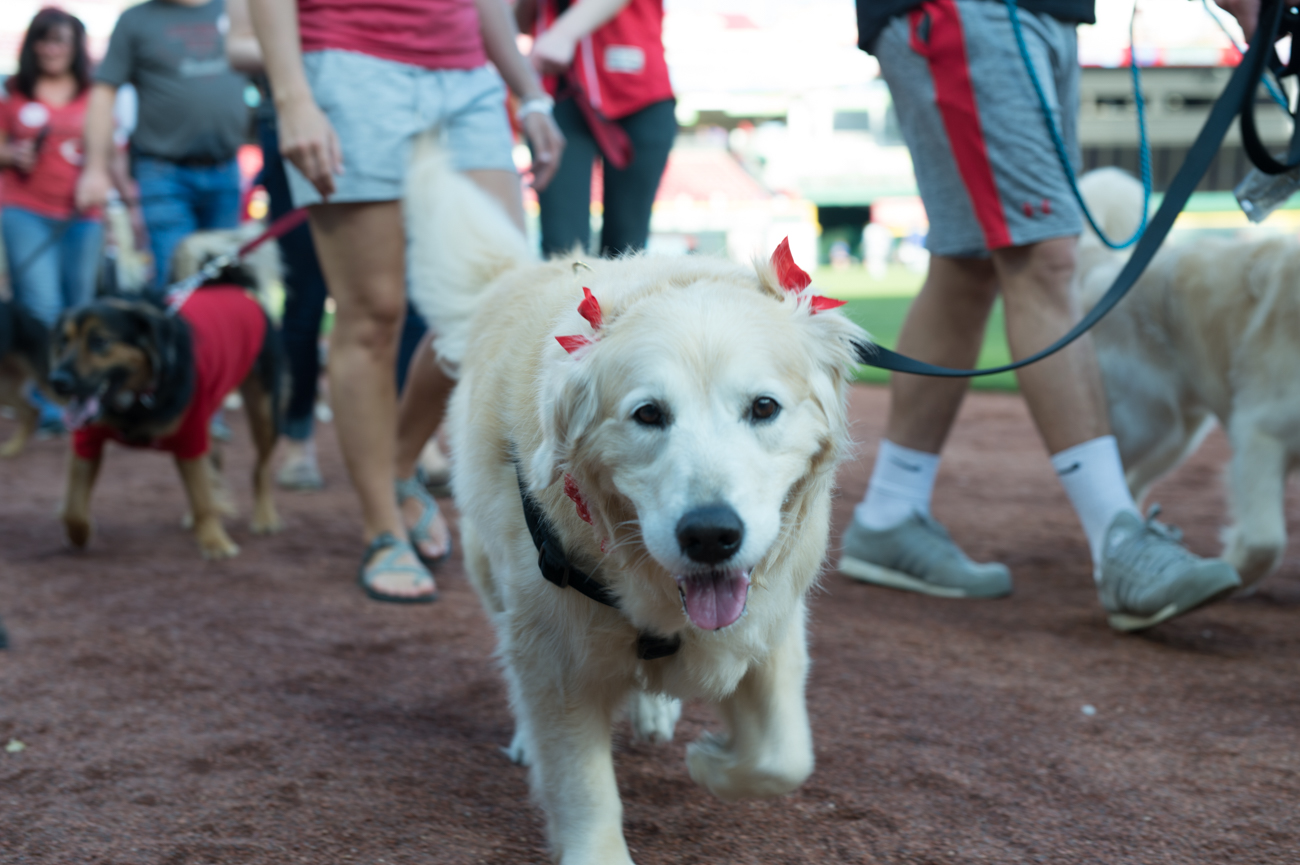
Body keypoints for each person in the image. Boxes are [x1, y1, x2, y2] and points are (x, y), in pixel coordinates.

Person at [840, 0, 1258, 632]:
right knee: (1043, 258)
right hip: (973, 11)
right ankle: (1117, 541)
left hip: (1032, 14)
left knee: (969, 260)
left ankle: (889, 513)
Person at [249, 0, 564, 602]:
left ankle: (398, 464)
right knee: (372, 314)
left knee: (500, 306)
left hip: (468, 72)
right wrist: (292, 97)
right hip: (347, 64)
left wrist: (529, 93)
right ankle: (381, 527)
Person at [75, 0, 249, 298]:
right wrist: (94, 169)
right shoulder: (135, 20)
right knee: (176, 278)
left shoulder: (236, 9)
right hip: (164, 171)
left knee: (225, 281)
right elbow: (103, 95)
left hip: (226, 166)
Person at [226, 0, 330, 491]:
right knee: (306, 295)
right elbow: (239, 45)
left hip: (387, 117)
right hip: (293, 122)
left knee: (394, 295)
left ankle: (415, 444)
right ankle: (296, 435)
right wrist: (334, 51)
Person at [1, 8, 104, 435]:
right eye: (44, 39)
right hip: (25, 206)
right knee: (42, 307)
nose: (52, 48)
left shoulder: (96, 92)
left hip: (84, 213)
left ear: (76, 45)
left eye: (60, 39)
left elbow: (111, 152)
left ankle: (80, 398)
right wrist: (9, 155)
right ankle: (49, 405)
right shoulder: (11, 91)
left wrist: (126, 200)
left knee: (79, 310)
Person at [517, 0, 676, 257]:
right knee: (563, 253)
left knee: (627, 253)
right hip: (559, 96)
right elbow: (518, 21)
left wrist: (563, 33)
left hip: (638, 91)